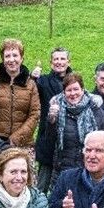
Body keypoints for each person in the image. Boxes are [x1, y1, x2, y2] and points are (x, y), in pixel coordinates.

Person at [38, 72, 104, 186]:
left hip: (89, 170)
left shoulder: (95, 109)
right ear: (64, 92)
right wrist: (51, 121)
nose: (73, 93)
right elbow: (50, 141)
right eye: (69, 90)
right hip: (63, 170)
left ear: (82, 90)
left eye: (76, 89)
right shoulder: (56, 109)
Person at [0, 38, 41, 149]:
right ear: (3, 59)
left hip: (22, 143)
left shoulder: (30, 84)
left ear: (22, 58)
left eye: (15, 55)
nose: (11, 60)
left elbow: (34, 114)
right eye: (7, 56)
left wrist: (15, 139)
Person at [33, 47, 76, 189]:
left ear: (68, 62)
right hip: (48, 138)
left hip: (69, 140)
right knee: (42, 184)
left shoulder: (74, 83)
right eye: (56, 59)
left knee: (67, 185)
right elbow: (31, 92)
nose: (59, 62)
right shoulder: (43, 81)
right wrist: (33, 78)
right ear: (51, 63)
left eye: (62, 59)